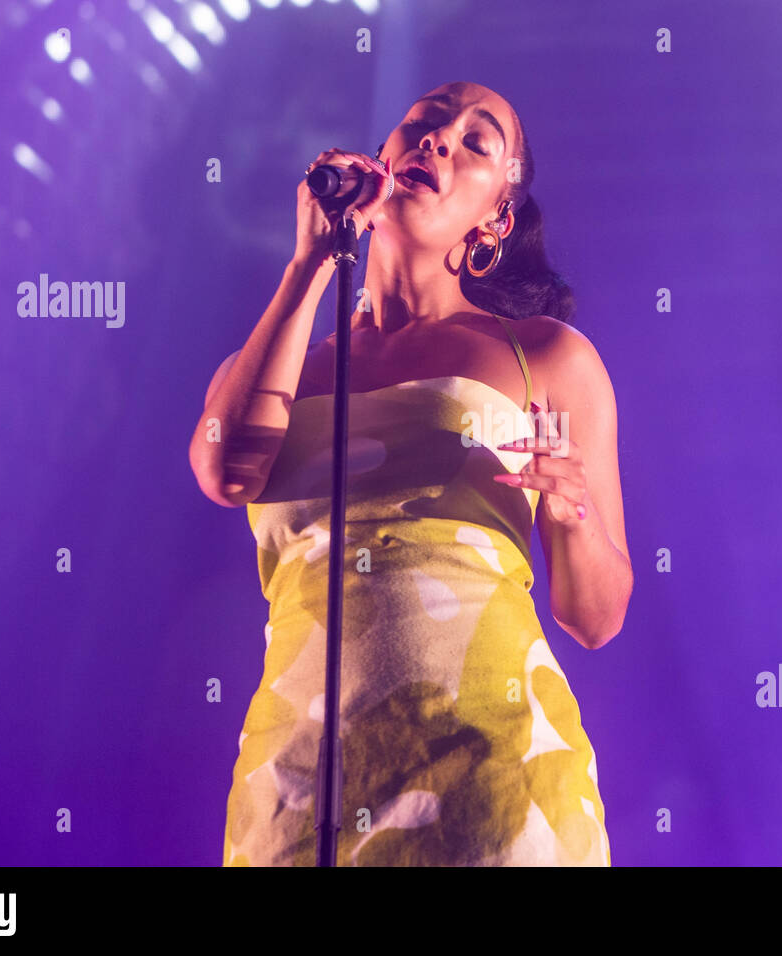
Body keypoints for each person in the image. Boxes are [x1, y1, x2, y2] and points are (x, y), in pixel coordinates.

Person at [189, 81, 632, 866]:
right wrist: (310, 264)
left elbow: (596, 618)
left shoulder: (545, 355)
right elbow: (225, 471)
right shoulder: (287, 362)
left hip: (493, 772)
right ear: (383, 161)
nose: (438, 142)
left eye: (474, 142)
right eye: (423, 126)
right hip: (301, 780)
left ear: (497, 214)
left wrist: (578, 519)